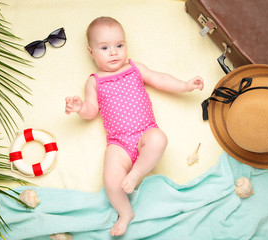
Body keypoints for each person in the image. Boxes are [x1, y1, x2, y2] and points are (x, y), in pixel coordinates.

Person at [65, 16, 204, 236]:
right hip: (119, 142)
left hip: (144, 132)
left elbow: (160, 79)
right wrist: (80, 107)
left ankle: (136, 174)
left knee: (159, 138)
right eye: (104, 47)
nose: (114, 52)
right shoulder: (94, 81)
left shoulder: (134, 68)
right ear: (91, 52)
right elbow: (92, 111)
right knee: (111, 180)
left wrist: (184, 85)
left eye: (119, 45)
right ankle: (125, 212)